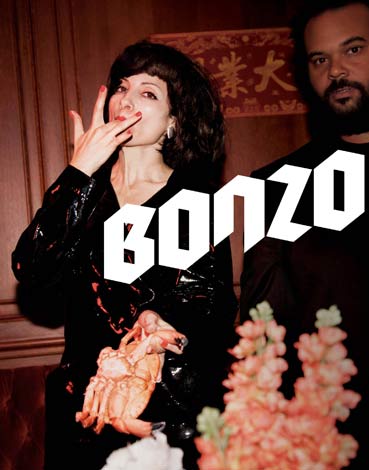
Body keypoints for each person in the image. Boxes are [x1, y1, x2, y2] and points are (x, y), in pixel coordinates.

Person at [240, 1, 369, 468]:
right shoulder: (281, 185)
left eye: (353, 49)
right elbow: (262, 333)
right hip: (335, 444)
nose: (335, 70)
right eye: (320, 59)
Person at [12, 40, 238, 470]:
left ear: (173, 120)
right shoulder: (84, 191)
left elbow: (210, 307)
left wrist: (161, 321)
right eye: (121, 87)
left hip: (164, 407)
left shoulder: (194, 200)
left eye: (147, 92)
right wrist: (79, 172)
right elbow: (32, 269)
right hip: (85, 409)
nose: (126, 100)